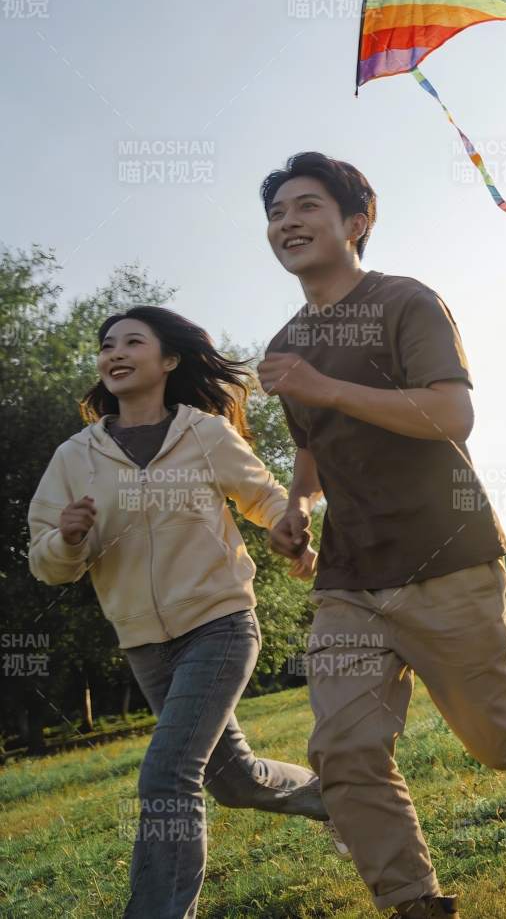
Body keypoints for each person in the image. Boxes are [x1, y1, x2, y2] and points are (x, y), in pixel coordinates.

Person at [256, 151, 506, 919]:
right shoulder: (285, 344)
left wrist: (323, 386)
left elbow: (449, 413)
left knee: (502, 739)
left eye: (306, 206)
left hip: (446, 554)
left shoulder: (406, 301)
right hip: (349, 578)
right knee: (344, 749)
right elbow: (311, 446)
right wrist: (296, 506)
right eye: (276, 213)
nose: (287, 222)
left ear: (356, 221)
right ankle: (414, 902)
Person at [27, 306, 327, 919]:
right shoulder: (74, 457)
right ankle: (344, 802)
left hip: (219, 622)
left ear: (168, 360)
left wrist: (287, 526)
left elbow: (264, 496)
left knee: (168, 777)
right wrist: (67, 537)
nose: (115, 352)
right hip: (144, 642)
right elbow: (47, 563)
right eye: (107, 344)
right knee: (234, 780)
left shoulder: (204, 434)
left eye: (132, 342)